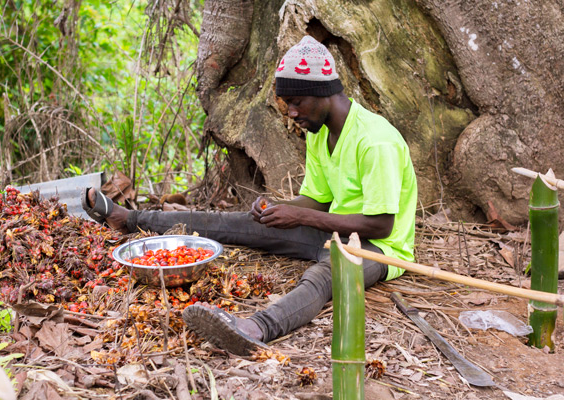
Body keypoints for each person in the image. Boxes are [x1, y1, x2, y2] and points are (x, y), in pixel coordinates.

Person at [81, 35, 417, 356]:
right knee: (233, 223)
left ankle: (253, 329)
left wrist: (298, 216)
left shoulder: (375, 141)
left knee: (324, 276)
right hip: (331, 230)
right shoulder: (321, 132)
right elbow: (318, 199)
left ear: (323, 93)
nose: (292, 113)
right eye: (288, 104)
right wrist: (279, 208)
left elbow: (380, 226)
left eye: (297, 102)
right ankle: (129, 218)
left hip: (378, 249)